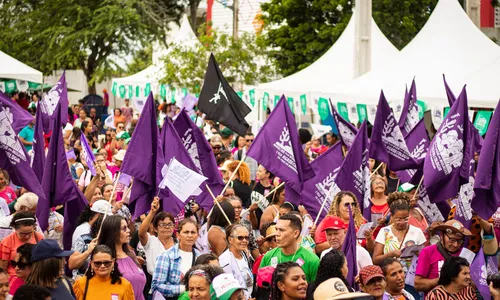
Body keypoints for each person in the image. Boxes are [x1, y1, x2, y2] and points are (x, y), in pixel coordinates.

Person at [414, 219, 497, 294]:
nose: (455, 245)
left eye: (460, 241)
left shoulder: (466, 254)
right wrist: (444, 279)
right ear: (442, 235)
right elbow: (418, 284)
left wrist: (468, 279)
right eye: (452, 240)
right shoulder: (427, 252)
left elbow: (474, 286)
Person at [259, 214, 320, 283]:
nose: (277, 234)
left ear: (296, 234)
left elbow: (317, 290)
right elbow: (261, 287)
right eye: (276, 229)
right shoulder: (268, 256)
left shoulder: (312, 260)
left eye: (281, 230)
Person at [372, 192, 426, 270]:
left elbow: (426, 256)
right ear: (392, 216)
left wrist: (419, 254)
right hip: (391, 275)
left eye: (406, 218)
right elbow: (375, 260)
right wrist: (390, 254)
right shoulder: (384, 232)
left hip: (412, 276)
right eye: (398, 219)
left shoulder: (417, 231)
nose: (402, 222)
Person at [98, 215, 146, 300]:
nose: (129, 231)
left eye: (127, 227)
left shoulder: (131, 254)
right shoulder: (104, 260)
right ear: (113, 232)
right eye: (124, 228)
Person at [152, 218, 200, 299]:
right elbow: (156, 287)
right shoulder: (166, 256)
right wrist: (184, 289)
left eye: (193, 232)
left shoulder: (200, 256)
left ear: (197, 235)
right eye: (186, 232)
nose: (190, 235)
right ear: (178, 235)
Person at [139, 197, 176, 276]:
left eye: (170, 224)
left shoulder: (179, 244)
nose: (167, 227)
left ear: (174, 227)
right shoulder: (151, 241)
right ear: (155, 228)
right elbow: (141, 233)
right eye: (163, 224)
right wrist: (152, 212)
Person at [0, 212, 44, 279]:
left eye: (30, 233)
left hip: (36, 276)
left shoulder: (39, 237)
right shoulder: (7, 242)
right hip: (15, 277)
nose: (27, 236)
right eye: (22, 234)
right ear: (15, 229)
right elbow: (3, 267)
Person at [219, 224, 253, 298]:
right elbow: (228, 288)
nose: (244, 240)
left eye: (246, 238)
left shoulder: (244, 254)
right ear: (230, 240)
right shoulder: (225, 260)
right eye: (240, 238)